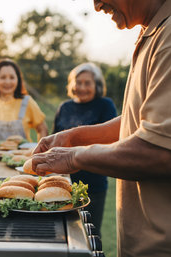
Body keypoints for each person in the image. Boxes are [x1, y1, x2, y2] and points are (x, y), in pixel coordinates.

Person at [31, 0, 171, 256]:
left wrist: (73, 157)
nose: (96, 5)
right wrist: (74, 137)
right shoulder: (162, 27)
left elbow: (164, 154)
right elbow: (143, 119)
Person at [53, 62, 117, 235]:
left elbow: (110, 139)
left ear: (97, 85)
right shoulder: (65, 107)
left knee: (91, 233)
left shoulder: (105, 105)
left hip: (93, 183)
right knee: (64, 232)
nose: (82, 87)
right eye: (78, 82)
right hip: (63, 183)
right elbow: (55, 140)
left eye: (87, 83)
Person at [0, 59, 48, 144]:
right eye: (3, 77)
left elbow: (42, 129)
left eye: (12, 77)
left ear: (18, 80)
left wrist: (40, 151)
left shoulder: (27, 102)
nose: (7, 82)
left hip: (23, 156)